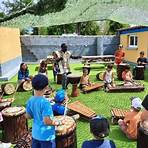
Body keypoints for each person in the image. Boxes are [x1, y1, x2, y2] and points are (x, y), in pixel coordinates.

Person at [26, 74, 64, 148]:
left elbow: (28, 116)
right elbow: (47, 121)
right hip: (46, 137)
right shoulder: (45, 103)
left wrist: (36, 113)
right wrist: (58, 122)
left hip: (35, 134)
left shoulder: (30, 100)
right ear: (46, 87)